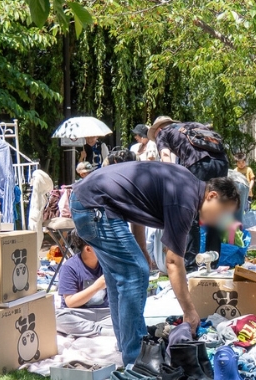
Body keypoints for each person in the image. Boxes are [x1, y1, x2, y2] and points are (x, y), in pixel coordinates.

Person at [71, 161, 239, 365]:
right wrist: (189, 311)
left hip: (87, 201)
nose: (220, 219)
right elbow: (173, 262)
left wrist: (141, 247)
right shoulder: (185, 201)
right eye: (222, 212)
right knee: (135, 274)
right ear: (212, 196)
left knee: (119, 279)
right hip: (95, 207)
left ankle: (126, 346)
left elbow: (135, 204)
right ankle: (137, 359)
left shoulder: (185, 185)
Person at [151, 116, 231, 261]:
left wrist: (171, 183)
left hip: (199, 164)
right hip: (222, 163)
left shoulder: (163, 133)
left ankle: (190, 261)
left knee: (190, 211)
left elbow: (165, 156)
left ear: (158, 129)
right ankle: (212, 259)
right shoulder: (194, 124)